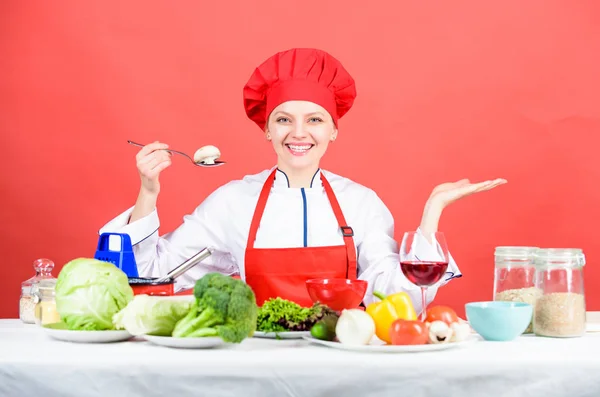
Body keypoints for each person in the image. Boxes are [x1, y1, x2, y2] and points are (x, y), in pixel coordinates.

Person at [100, 48, 506, 313]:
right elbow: (151, 274)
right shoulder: (232, 202)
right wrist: (148, 194)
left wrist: (431, 214)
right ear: (266, 130)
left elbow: (401, 299)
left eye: (314, 120)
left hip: (345, 362)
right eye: (283, 120)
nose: (299, 133)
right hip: (255, 364)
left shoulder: (361, 202)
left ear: (333, 131)